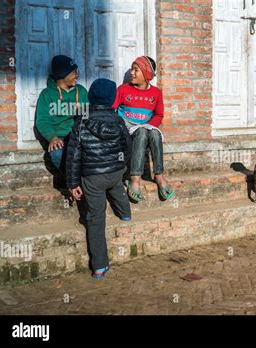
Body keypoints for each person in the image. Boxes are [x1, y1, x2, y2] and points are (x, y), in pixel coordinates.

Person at [66, 78, 132, 279]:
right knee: (116, 188)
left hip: (93, 178)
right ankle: (125, 213)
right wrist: (123, 169)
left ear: (90, 97)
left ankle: (100, 266)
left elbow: (74, 155)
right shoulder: (119, 121)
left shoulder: (82, 122)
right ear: (113, 100)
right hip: (115, 173)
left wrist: (73, 183)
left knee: (96, 218)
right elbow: (127, 148)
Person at [112, 56, 175, 202]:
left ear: (147, 74)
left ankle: (159, 175)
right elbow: (112, 110)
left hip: (146, 127)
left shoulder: (156, 93)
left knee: (154, 133)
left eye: (136, 70)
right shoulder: (122, 90)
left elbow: (159, 115)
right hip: (127, 127)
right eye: (132, 69)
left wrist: (150, 125)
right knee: (141, 132)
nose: (132, 73)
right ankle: (134, 179)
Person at [36, 55, 88, 173]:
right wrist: (52, 137)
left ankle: (85, 180)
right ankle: (71, 180)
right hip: (59, 138)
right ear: (63, 75)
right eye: (74, 72)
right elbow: (42, 120)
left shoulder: (81, 91)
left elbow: (87, 117)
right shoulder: (47, 95)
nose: (77, 76)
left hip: (78, 136)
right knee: (57, 153)